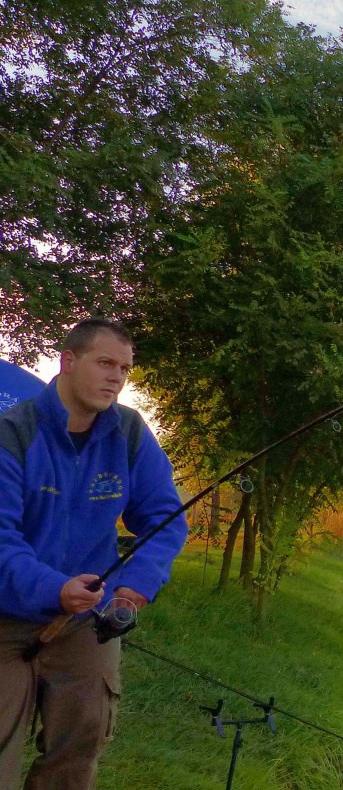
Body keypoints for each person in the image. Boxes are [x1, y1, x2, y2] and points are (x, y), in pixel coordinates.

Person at [0, 318, 189, 788]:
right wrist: (52, 587)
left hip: (87, 621)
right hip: (6, 615)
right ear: (67, 361)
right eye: (105, 363)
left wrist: (133, 587)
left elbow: (165, 518)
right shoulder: (12, 433)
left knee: (80, 745)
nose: (116, 378)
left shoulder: (127, 433)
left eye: (125, 369)